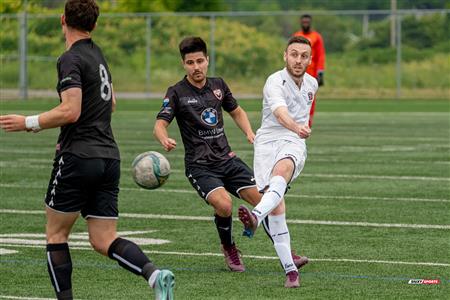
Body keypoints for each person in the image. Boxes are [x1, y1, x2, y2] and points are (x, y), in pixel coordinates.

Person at [0, 1, 174, 299]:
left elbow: (71, 111)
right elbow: (112, 103)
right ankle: (153, 275)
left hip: (78, 156)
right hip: (109, 156)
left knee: (56, 235)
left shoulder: (70, 58)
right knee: (103, 238)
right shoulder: (98, 54)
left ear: (62, 19)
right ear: (94, 25)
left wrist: (28, 122)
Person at [153, 37, 307, 274]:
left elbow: (236, 111)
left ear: (207, 60)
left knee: (266, 200)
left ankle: (287, 253)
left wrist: (248, 131)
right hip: (200, 166)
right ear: (184, 64)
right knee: (224, 205)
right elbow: (160, 124)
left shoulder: (218, 85)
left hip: (228, 160)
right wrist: (163, 137)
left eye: (200, 61)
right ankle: (229, 248)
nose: (196, 67)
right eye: (190, 62)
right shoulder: (176, 92)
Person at [238, 36, 318, 288]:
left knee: (282, 173)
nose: (298, 60)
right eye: (293, 54)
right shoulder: (274, 81)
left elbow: (298, 117)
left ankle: (255, 216)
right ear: (285, 56)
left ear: (309, 59)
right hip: (267, 141)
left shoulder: (312, 84)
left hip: (293, 141)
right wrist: (297, 126)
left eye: (304, 56)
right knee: (277, 206)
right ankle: (291, 272)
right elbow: (280, 113)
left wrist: (298, 131)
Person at [292, 14, 325, 127]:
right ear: (301, 23)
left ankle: (307, 123)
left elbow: (320, 55)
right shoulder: (296, 35)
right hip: (297, 73)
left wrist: (320, 72)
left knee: (310, 97)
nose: (305, 23)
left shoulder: (316, 37)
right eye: (303, 22)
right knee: (295, 96)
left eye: (307, 22)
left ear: (310, 23)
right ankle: (294, 121)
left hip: (311, 73)